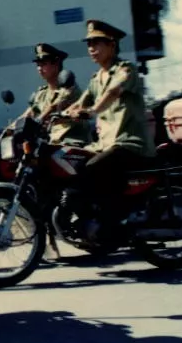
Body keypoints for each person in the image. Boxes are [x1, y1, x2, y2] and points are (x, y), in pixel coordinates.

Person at [64, 19, 156, 241]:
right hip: (105, 144)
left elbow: (114, 92)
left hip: (130, 143)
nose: (91, 48)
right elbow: (79, 103)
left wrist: (93, 111)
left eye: (97, 43)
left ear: (112, 44)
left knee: (93, 168)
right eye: (89, 44)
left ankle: (113, 222)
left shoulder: (126, 69)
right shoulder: (96, 78)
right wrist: (58, 117)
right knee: (71, 162)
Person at [10, 43, 92, 146]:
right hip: (52, 143)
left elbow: (53, 106)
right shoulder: (42, 93)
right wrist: (10, 129)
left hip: (73, 142)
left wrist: (39, 119)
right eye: (38, 65)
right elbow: (28, 114)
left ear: (56, 63)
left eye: (43, 64)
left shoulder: (69, 87)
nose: (39, 68)